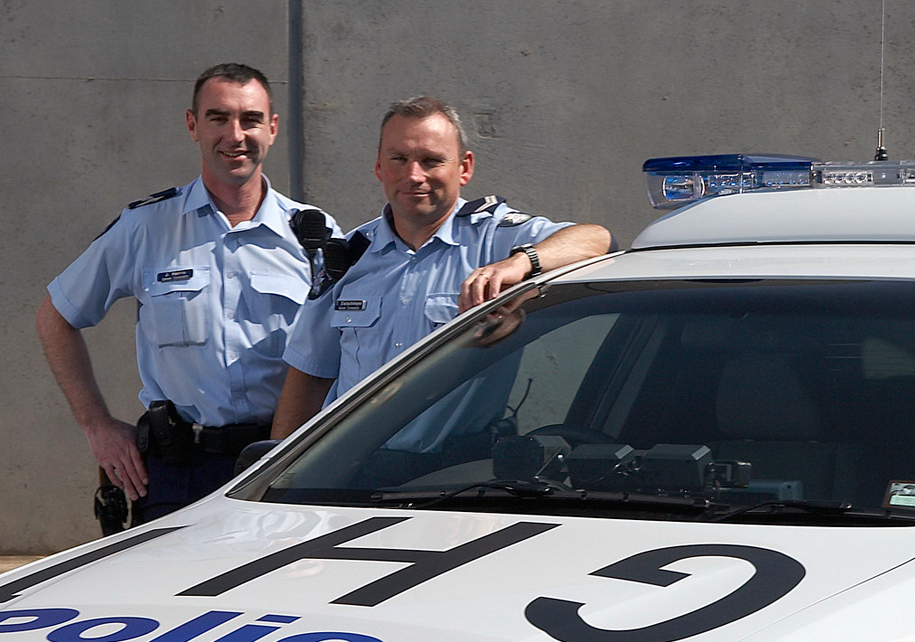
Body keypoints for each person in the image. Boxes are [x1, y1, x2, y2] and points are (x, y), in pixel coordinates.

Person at [36, 63, 332, 525]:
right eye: (218, 118)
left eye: (251, 119)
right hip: (180, 471)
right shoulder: (147, 227)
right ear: (193, 126)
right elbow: (55, 316)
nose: (235, 135)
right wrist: (96, 426)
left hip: (285, 464)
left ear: (273, 129)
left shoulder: (314, 234)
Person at [269, 96, 611, 438]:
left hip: (453, 475)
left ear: (464, 167)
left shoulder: (495, 239)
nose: (413, 176)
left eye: (431, 160)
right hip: (348, 472)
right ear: (378, 167)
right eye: (399, 159)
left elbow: (595, 239)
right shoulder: (350, 255)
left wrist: (521, 263)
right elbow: (310, 375)